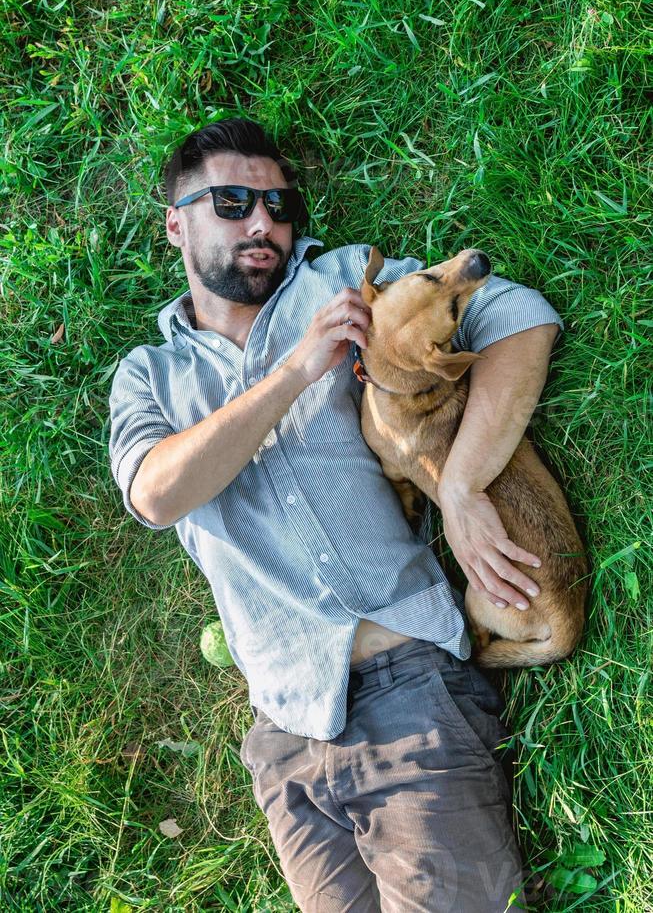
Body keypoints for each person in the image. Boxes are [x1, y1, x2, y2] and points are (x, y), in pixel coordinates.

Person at [108, 117, 563, 912]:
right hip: (282, 736)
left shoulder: (349, 286)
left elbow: (520, 317)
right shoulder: (148, 376)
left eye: (280, 206)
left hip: (409, 694)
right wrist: (294, 373)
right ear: (175, 221)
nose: (264, 222)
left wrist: (459, 486)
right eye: (233, 201)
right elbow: (156, 493)